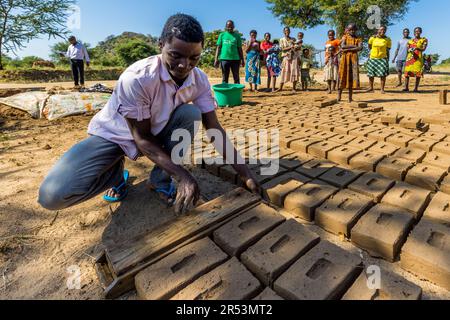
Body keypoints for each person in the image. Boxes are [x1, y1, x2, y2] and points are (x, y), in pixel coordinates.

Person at [39, 14, 260, 216]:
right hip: (114, 136)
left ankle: (159, 180)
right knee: (52, 196)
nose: (185, 65)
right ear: (161, 45)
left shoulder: (199, 79)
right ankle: (114, 175)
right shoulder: (137, 78)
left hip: (155, 133)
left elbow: (214, 128)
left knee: (191, 114)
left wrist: (245, 173)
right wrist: (183, 176)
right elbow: (141, 139)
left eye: (194, 58)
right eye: (176, 55)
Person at [338, 23, 363, 103]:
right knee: (342, 76)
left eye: (353, 30)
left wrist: (347, 48)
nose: (352, 31)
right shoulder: (344, 37)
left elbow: (360, 48)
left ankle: (350, 98)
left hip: (353, 60)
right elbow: (342, 46)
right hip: (344, 59)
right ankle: (339, 96)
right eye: (350, 30)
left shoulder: (358, 39)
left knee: (352, 78)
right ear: (347, 30)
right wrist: (353, 47)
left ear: (356, 30)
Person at [367, 26, 392, 94]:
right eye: (381, 30)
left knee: (383, 75)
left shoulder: (387, 39)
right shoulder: (372, 38)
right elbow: (369, 47)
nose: (383, 31)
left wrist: (387, 59)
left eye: (384, 30)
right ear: (377, 30)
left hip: (383, 58)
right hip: (372, 58)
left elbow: (388, 49)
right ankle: (371, 88)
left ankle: (382, 89)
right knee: (371, 74)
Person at [404, 27, 428, 92]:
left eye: (418, 31)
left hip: (418, 59)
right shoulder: (410, 41)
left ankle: (416, 88)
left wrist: (417, 48)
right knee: (407, 73)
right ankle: (406, 88)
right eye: (415, 31)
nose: (417, 32)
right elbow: (407, 49)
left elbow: (423, 49)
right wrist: (408, 51)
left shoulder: (424, 40)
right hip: (409, 58)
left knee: (418, 74)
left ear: (421, 32)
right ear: (414, 32)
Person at [279, 27, 299, 93]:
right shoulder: (281, 40)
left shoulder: (293, 39)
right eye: (285, 31)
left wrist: (295, 47)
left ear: (290, 31)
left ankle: (294, 88)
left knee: (294, 71)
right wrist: (291, 47)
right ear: (283, 32)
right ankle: (280, 88)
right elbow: (282, 49)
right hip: (286, 57)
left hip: (293, 57)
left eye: (288, 30)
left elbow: (297, 48)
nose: (286, 32)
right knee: (284, 71)